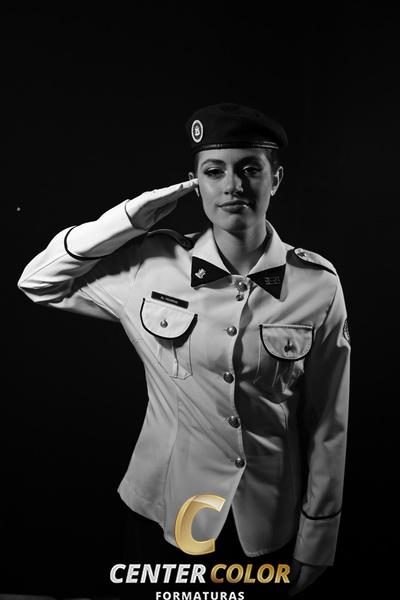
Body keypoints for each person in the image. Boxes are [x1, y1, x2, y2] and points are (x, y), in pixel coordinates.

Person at [18, 102, 350, 596]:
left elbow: (328, 421)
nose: (232, 185)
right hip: (162, 513)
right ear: (195, 184)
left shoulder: (317, 284)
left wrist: (319, 535)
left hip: (263, 525)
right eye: (214, 171)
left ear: (275, 179)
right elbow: (38, 282)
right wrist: (128, 219)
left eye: (250, 169)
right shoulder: (151, 265)